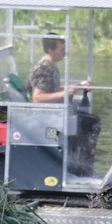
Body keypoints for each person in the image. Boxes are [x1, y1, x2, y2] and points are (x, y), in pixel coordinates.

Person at [28, 34, 101, 177]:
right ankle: (80, 169)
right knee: (90, 123)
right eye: (61, 49)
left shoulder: (51, 66)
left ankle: (79, 168)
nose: (64, 52)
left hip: (55, 113)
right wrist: (65, 92)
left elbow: (52, 90)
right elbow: (37, 98)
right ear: (50, 49)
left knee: (89, 121)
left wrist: (78, 85)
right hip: (45, 117)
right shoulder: (43, 68)